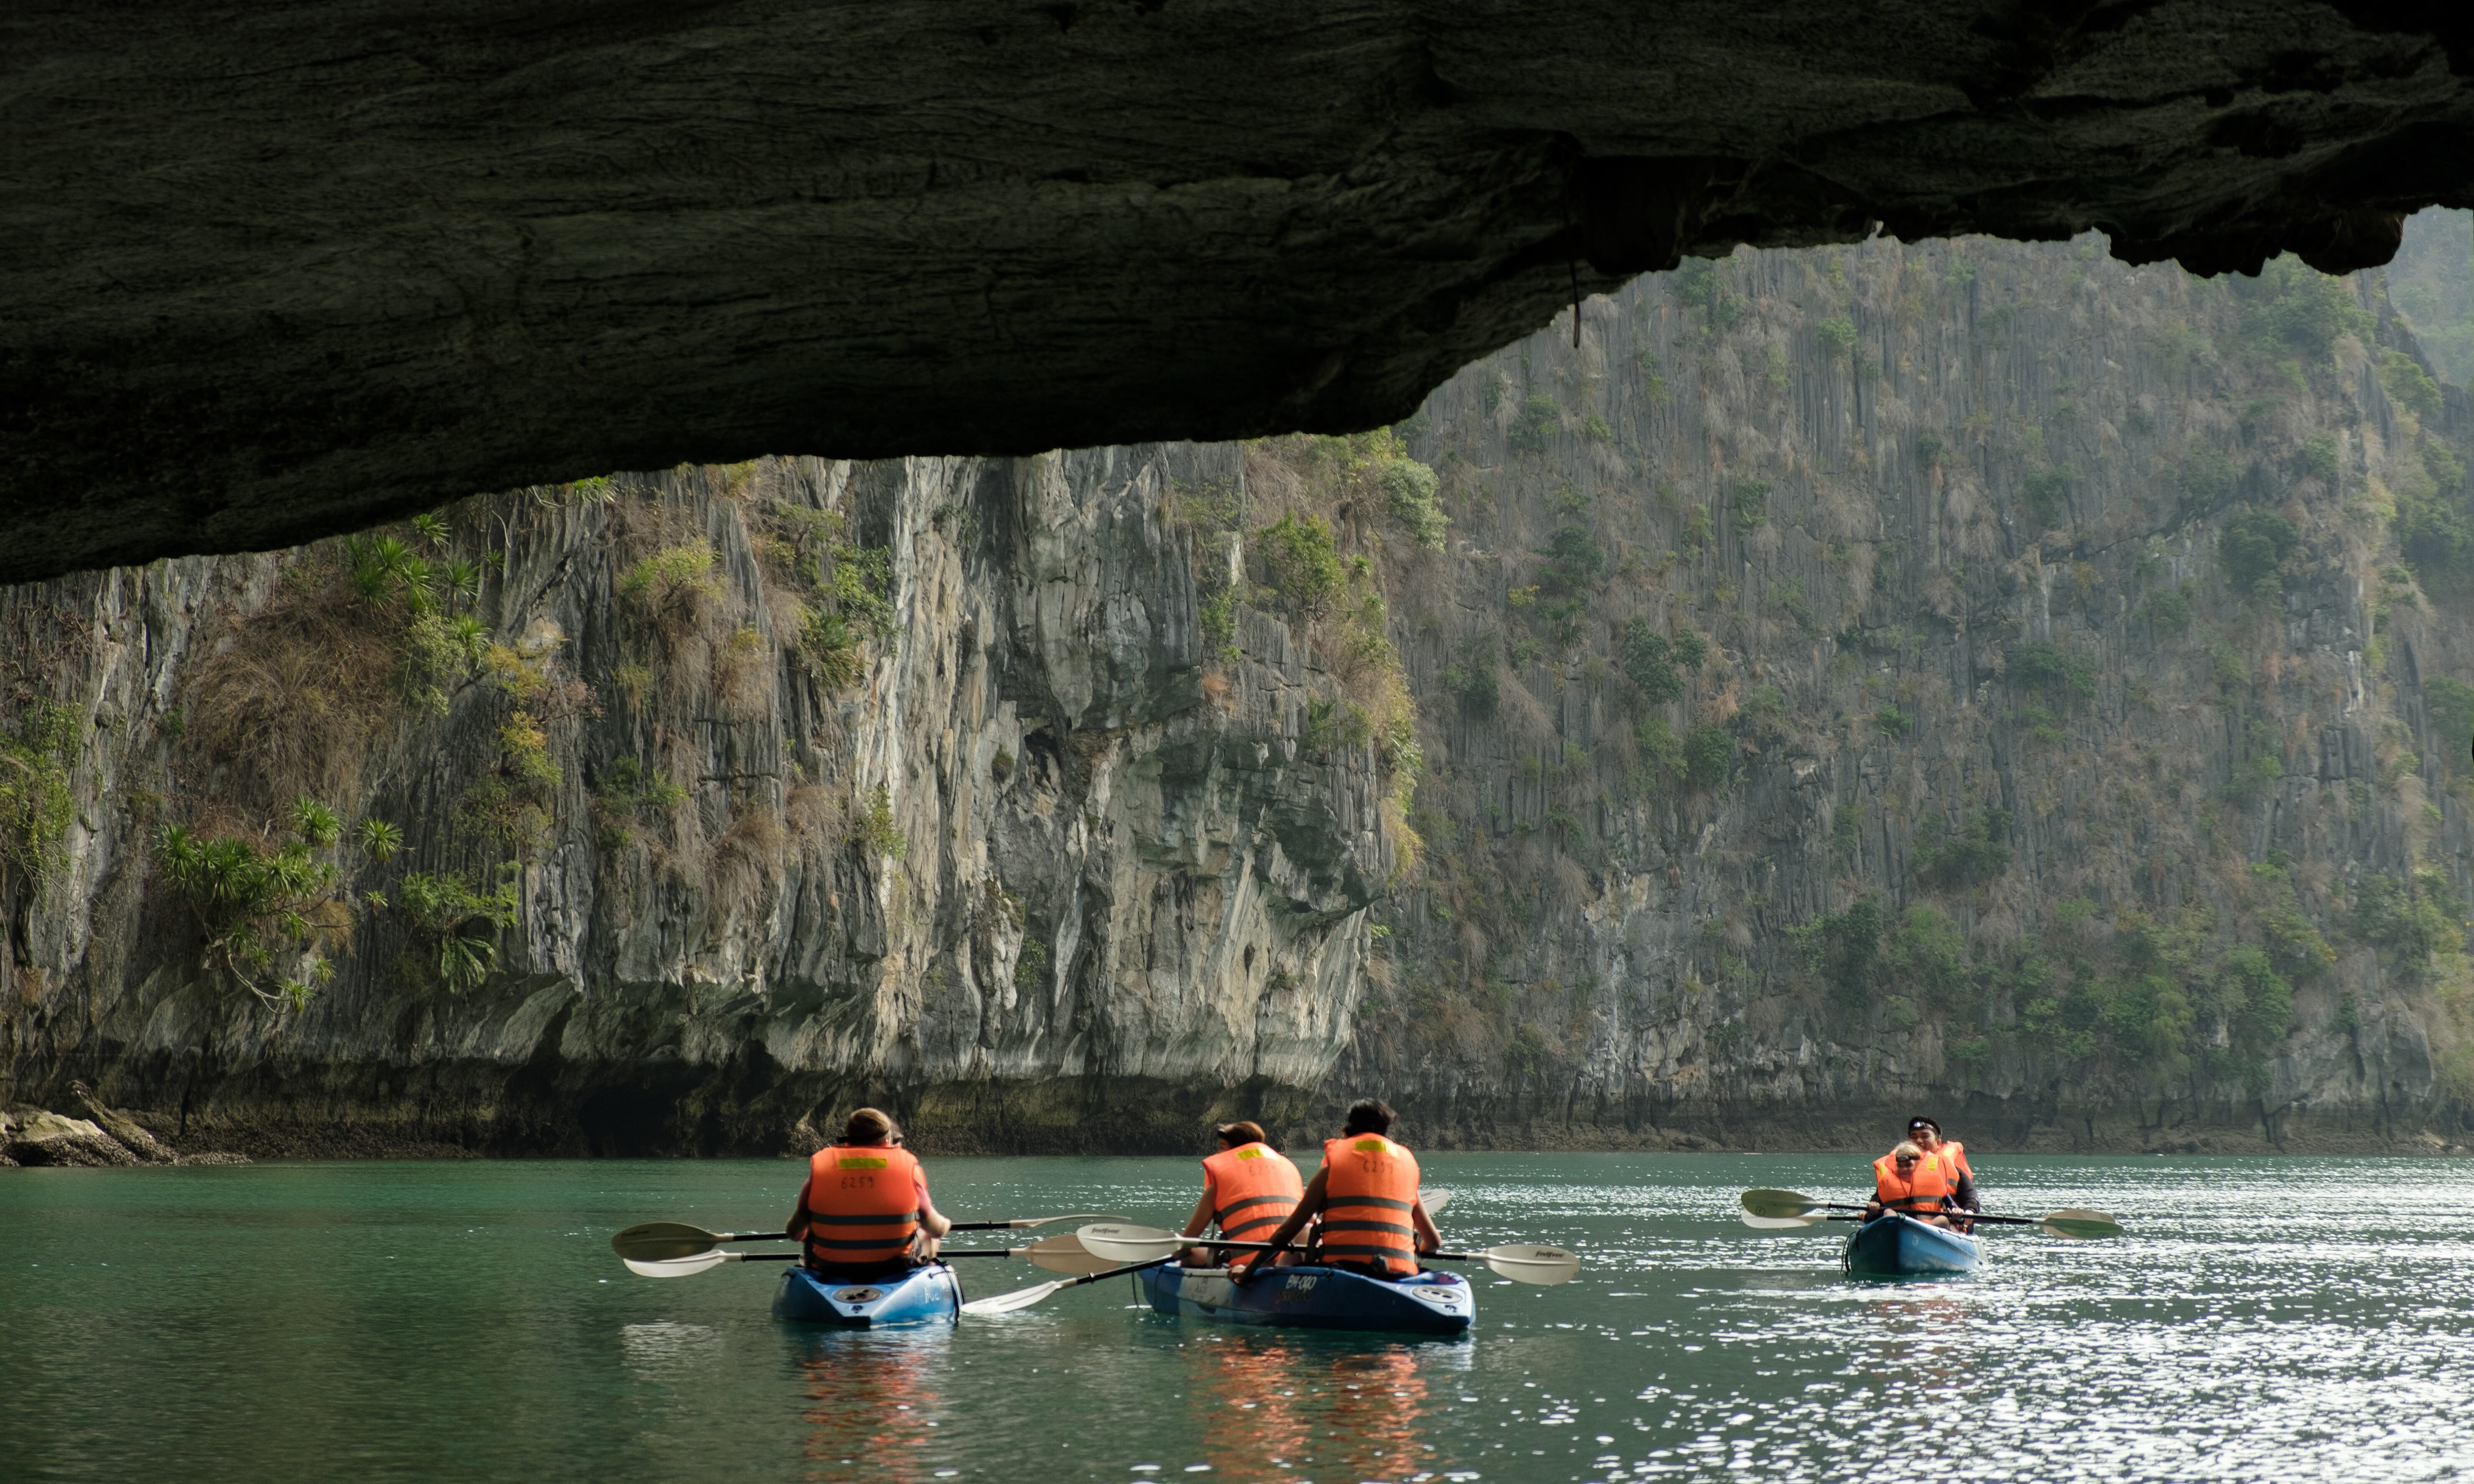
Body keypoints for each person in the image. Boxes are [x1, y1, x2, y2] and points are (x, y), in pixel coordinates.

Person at [1239, 1099, 1439, 1281]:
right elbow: (1433, 1242)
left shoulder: (1332, 1170)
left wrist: (1248, 1272)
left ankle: (1271, 1288)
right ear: (1384, 1129)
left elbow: (1285, 1232)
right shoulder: (1408, 1170)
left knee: (1302, 1233)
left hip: (1342, 1273)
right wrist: (1410, 1258)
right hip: (1398, 1274)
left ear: (1348, 1128)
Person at [786, 1107, 953, 1273]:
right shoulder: (910, 1171)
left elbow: (795, 1233)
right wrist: (946, 1225)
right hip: (894, 1267)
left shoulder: (821, 1171)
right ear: (887, 1141)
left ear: (847, 1141)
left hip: (830, 1267)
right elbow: (936, 1229)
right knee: (930, 1239)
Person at [1179, 1120, 1305, 1267]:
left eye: (1221, 1147)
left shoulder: (1222, 1177)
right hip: (1290, 1260)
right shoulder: (1289, 1169)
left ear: (1226, 1147)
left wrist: (1177, 1254)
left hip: (1247, 1267)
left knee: (1188, 1254)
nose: (1219, 1153)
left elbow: (1189, 1239)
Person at [1863, 1139, 1953, 1227]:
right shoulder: (1887, 1185)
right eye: (1899, 1166)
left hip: (1928, 1229)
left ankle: (1919, 1233)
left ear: (1918, 1165)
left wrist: (1958, 1214)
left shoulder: (1935, 1184)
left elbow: (1954, 1211)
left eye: (1908, 1165)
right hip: (1899, 1228)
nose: (1903, 1169)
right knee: (1888, 1212)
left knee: (1943, 1219)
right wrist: (1872, 1211)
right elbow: (1869, 1219)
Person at [1907, 1115, 1980, 1218]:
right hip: (1904, 1222)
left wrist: (1968, 1212)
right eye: (1914, 1137)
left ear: (1938, 1143)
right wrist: (1875, 1205)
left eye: (1925, 1136)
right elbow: (1879, 1199)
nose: (1918, 1141)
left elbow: (1970, 1199)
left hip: (1944, 1224)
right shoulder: (1898, 1170)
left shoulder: (1955, 1172)